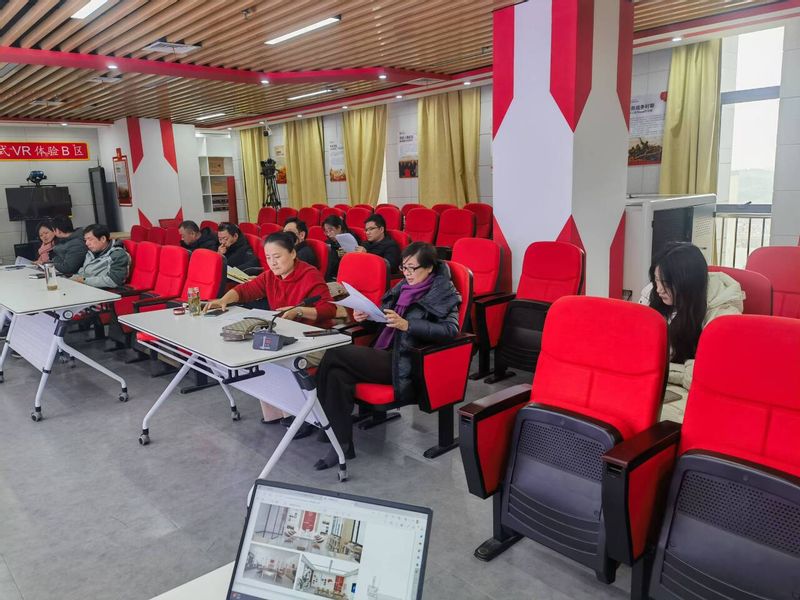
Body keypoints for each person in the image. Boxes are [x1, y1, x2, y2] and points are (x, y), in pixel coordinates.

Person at [314, 242, 461, 470]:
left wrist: (408, 325)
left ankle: (318, 419)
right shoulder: (403, 287)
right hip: (384, 352)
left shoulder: (444, 293)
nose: (407, 273)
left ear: (429, 267)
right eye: (404, 267)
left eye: (412, 268)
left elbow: (450, 331)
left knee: (334, 354)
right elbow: (384, 320)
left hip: (407, 362)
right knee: (336, 374)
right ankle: (341, 444)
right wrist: (367, 317)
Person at [205, 231, 337, 427]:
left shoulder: (310, 275)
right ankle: (278, 411)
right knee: (260, 355)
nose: (272, 263)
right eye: (268, 258)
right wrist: (223, 300)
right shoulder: (271, 276)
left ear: (293, 253)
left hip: (313, 339)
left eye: (277, 257)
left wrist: (299, 311)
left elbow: (329, 309)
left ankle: (300, 417)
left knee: (274, 360)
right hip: (287, 336)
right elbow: (246, 290)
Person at [639, 242, 743, 391]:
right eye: (656, 279)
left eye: (666, 283)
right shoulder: (654, 292)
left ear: (687, 284)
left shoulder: (723, 314)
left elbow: (713, 373)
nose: (659, 289)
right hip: (657, 382)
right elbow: (635, 343)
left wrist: (659, 369)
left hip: (693, 391)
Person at [72, 223, 131, 288]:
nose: (87, 243)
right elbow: (84, 271)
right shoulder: (91, 252)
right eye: (85, 240)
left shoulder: (118, 255)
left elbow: (114, 281)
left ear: (103, 239)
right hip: (86, 286)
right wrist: (72, 279)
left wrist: (84, 280)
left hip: (102, 291)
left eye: (90, 239)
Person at [322, 215, 350, 281]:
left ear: (339, 228)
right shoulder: (329, 242)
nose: (328, 234)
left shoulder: (350, 240)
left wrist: (346, 256)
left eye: (331, 230)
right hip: (329, 276)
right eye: (326, 231)